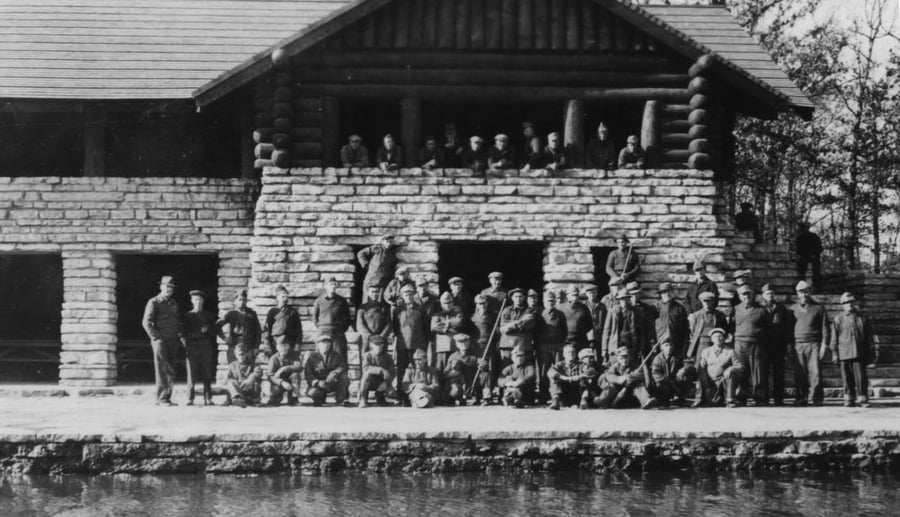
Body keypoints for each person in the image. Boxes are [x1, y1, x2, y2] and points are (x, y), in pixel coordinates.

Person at [142, 275, 183, 406]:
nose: (169, 289)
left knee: (171, 369)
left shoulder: (173, 303)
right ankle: (161, 398)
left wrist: (180, 335)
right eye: (167, 286)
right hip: (161, 341)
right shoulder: (154, 302)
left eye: (171, 287)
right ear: (161, 287)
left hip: (172, 340)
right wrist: (156, 338)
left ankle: (167, 397)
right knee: (162, 369)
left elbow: (177, 321)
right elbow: (146, 322)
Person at [830, 292, 877, 407]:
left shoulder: (863, 318)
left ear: (854, 303)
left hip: (859, 352)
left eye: (851, 302)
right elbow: (834, 337)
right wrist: (834, 353)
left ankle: (863, 398)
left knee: (861, 377)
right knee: (846, 378)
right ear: (842, 304)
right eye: (846, 302)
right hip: (844, 353)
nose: (849, 305)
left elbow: (869, 337)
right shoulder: (838, 319)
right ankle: (849, 398)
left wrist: (871, 352)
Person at [790, 280, 829, 406]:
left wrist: (824, 345)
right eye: (801, 292)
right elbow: (788, 329)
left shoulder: (819, 308)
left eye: (806, 291)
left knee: (815, 372)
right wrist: (789, 346)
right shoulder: (793, 309)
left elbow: (825, 328)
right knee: (799, 373)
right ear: (797, 293)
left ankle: (816, 398)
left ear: (810, 292)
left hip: (814, 344)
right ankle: (801, 397)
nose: (804, 295)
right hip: (798, 344)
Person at [733, 285, 770, 405]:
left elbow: (768, 327)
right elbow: (731, 326)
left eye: (749, 294)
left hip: (757, 344)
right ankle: (740, 397)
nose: (746, 296)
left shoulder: (762, 310)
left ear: (754, 295)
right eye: (744, 294)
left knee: (758, 371)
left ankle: (760, 398)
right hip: (740, 344)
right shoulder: (736, 309)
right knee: (741, 371)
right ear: (740, 296)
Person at [393, 284, 429, 406]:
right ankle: (401, 396)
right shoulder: (398, 310)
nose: (408, 296)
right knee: (402, 372)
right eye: (406, 294)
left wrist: (424, 344)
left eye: (410, 294)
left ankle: (416, 395)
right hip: (403, 345)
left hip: (417, 345)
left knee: (418, 371)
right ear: (402, 296)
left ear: (414, 295)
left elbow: (426, 328)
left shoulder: (421, 310)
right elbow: (395, 328)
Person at [182, 289, 217, 406]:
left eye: (200, 300)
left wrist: (207, 332)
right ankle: (190, 398)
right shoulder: (187, 316)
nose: (198, 302)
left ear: (203, 301)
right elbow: (183, 333)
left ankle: (208, 397)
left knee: (207, 373)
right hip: (192, 347)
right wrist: (187, 343)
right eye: (196, 299)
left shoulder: (209, 316)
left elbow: (214, 332)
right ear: (192, 301)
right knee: (191, 373)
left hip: (205, 346)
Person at [602, 288, 654, 365]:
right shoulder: (613, 311)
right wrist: (604, 349)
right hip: (616, 344)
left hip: (631, 345)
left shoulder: (635, 312)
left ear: (629, 299)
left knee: (630, 366)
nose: (624, 301)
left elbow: (641, 332)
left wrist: (641, 348)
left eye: (626, 299)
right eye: (622, 299)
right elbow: (607, 330)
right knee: (615, 366)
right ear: (619, 300)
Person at [761, 283, 791, 406]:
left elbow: (787, 327)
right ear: (763, 295)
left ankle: (779, 398)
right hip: (763, 345)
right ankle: (764, 398)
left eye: (772, 293)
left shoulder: (781, 308)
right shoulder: (759, 308)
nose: (770, 295)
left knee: (779, 372)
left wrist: (787, 343)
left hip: (779, 345)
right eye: (768, 293)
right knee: (764, 372)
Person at [695, 328, 741, 408]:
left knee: (731, 375)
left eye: (720, 336)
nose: (718, 339)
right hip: (710, 381)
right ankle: (699, 400)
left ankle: (730, 401)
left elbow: (739, 366)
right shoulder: (706, 351)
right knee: (701, 378)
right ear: (712, 339)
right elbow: (701, 368)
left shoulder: (730, 351)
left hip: (723, 381)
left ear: (724, 338)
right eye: (715, 337)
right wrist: (704, 379)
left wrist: (731, 369)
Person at [535, 290, 567, 403]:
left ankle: (558, 395)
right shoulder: (539, 315)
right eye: (548, 301)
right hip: (543, 346)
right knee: (543, 371)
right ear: (544, 301)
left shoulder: (560, 314)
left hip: (558, 346)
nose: (551, 303)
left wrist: (560, 343)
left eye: (553, 301)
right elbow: (536, 331)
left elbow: (565, 331)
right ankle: (544, 396)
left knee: (558, 369)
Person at [444, 333, 491, 406]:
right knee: (455, 389)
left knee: (485, 374)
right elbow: (446, 372)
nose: (463, 344)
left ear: (469, 342)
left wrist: (483, 365)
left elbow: (483, 362)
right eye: (460, 342)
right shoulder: (453, 356)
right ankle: (456, 398)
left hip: (473, 381)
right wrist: (453, 373)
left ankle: (486, 398)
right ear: (456, 344)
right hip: (460, 382)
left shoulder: (475, 354)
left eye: (465, 342)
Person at [217, 289, 261, 365]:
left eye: (244, 300)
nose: (242, 302)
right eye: (239, 300)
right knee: (234, 367)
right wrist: (224, 338)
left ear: (246, 301)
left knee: (248, 368)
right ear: (235, 301)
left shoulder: (252, 314)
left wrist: (256, 347)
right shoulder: (231, 314)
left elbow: (258, 331)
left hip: (248, 346)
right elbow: (218, 326)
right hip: (234, 345)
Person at [548, 345, 599, 410]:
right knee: (554, 379)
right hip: (563, 393)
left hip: (577, 393)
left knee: (584, 379)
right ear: (564, 354)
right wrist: (563, 377)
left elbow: (591, 370)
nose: (571, 354)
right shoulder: (559, 365)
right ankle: (555, 400)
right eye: (569, 352)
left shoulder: (581, 364)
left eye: (573, 352)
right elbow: (550, 372)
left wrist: (579, 376)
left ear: (575, 354)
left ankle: (584, 400)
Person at [313, 277, 352, 362]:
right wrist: (322, 328)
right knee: (321, 356)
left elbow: (347, 318)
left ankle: (341, 374)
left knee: (340, 355)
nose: (333, 286)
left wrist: (341, 329)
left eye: (335, 284)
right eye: (331, 284)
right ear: (325, 286)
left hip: (337, 332)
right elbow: (315, 318)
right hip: (323, 331)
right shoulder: (319, 301)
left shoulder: (342, 301)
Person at [304, 335, 350, 406]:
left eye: (328, 343)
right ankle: (320, 398)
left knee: (344, 378)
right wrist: (317, 382)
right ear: (318, 345)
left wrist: (334, 373)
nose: (326, 345)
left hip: (332, 382)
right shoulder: (312, 357)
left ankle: (340, 400)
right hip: (319, 384)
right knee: (313, 393)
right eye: (323, 343)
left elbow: (343, 366)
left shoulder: (336, 355)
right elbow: (308, 373)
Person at [651, 338, 693, 406]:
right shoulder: (657, 359)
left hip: (677, 381)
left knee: (687, 374)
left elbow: (689, 364)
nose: (669, 347)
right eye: (666, 345)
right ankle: (665, 399)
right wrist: (670, 381)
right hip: (665, 383)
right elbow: (656, 374)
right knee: (659, 385)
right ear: (662, 347)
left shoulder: (679, 355)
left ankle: (682, 397)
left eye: (671, 345)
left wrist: (682, 371)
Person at [263, 284, 302, 358]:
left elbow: (299, 330)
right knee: (275, 360)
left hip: (290, 342)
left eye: (286, 297)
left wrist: (297, 344)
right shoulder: (272, 312)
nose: (285, 299)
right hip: (275, 342)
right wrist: (267, 344)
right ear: (277, 297)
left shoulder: (292, 312)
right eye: (283, 297)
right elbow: (267, 330)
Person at [498, 288, 536, 365]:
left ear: (524, 298)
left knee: (525, 369)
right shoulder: (507, 310)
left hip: (524, 345)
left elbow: (529, 324)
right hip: (508, 346)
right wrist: (521, 322)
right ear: (512, 298)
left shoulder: (530, 310)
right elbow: (504, 328)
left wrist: (511, 325)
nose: (518, 299)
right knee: (507, 369)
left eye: (520, 296)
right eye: (516, 296)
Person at [431, 292, 467, 370]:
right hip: (442, 347)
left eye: (449, 303)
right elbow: (434, 327)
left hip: (455, 346)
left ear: (453, 303)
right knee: (441, 369)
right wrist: (449, 326)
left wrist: (443, 324)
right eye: (445, 303)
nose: (447, 305)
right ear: (441, 304)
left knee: (455, 368)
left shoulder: (458, 314)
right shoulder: (437, 315)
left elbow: (458, 323)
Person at [356, 282, 392, 361]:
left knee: (381, 361)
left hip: (381, 340)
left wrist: (381, 336)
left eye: (376, 292)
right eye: (372, 292)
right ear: (368, 293)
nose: (374, 294)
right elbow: (359, 325)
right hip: (367, 340)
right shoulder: (363, 308)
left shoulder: (383, 308)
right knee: (366, 361)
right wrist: (369, 336)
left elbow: (389, 324)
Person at [358, 335, 396, 408]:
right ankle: (363, 398)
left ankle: (380, 397)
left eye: (380, 344)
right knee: (367, 375)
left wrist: (386, 382)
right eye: (376, 345)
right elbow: (365, 368)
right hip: (369, 382)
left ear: (383, 345)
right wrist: (381, 370)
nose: (378, 347)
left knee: (391, 393)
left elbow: (392, 372)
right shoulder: (367, 355)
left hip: (381, 382)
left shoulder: (387, 357)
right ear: (371, 345)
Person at [265, 334, 303, 406]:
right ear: (277, 347)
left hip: (291, 380)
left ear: (288, 346)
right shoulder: (274, 358)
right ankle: (276, 398)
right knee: (275, 394)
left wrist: (284, 368)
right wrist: (282, 382)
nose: (284, 348)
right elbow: (270, 376)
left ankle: (293, 399)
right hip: (278, 383)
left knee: (296, 375)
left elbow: (299, 367)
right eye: (281, 346)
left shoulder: (293, 355)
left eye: (286, 346)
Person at [656, 283, 690, 356]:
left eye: (669, 291)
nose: (667, 294)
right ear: (661, 294)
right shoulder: (656, 307)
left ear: (672, 292)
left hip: (675, 341)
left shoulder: (679, 308)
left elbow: (685, 328)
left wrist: (684, 344)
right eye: (664, 292)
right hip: (660, 340)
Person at [558, 285, 593, 350]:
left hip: (581, 341)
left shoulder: (584, 308)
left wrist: (580, 331)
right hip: (566, 341)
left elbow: (589, 324)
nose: (575, 298)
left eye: (576, 295)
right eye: (573, 295)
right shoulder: (560, 308)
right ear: (567, 295)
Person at [796, 222, 823, 289]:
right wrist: (803, 256)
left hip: (814, 256)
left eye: (806, 227)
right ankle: (802, 285)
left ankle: (817, 286)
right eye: (803, 228)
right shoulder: (799, 238)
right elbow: (798, 250)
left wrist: (815, 254)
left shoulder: (815, 237)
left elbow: (820, 248)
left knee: (816, 269)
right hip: (804, 257)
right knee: (801, 269)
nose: (804, 229)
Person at [583, 285, 607, 361]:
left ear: (596, 293)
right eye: (590, 293)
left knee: (599, 357)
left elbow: (605, 320)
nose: (592, 295)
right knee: (588, 356)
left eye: (594, 293)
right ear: (586, 294)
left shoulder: (602, 306)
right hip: (587, 336)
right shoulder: (583, 306)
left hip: (599, 335)